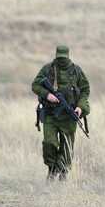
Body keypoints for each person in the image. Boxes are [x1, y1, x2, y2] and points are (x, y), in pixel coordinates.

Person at [32, 45, 90, 180]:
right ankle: (52, 169)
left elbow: (85, 90)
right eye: (60, 58)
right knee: (49, 143)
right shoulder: (48, 69)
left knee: (67, 147)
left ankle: (62, 173)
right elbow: (35, 85)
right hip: (50, 114)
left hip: (69, 117)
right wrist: (47, 95)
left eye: (64, 58)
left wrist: (80, 107)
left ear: (68, 56)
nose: (62, 60)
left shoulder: (76, 71)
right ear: (56, 55)